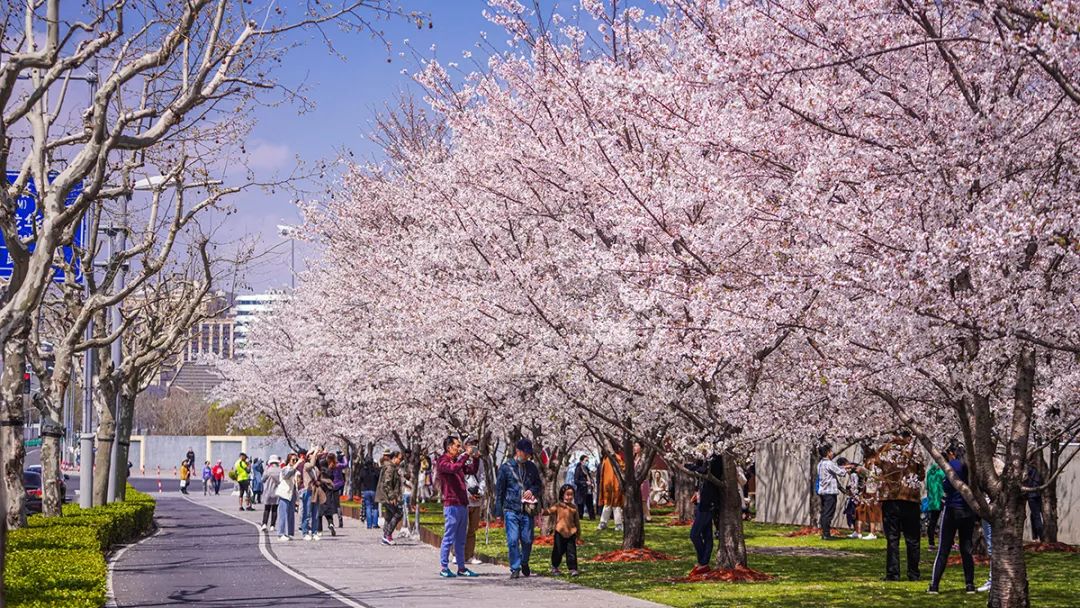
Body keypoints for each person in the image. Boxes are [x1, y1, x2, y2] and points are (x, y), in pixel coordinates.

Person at [876, 430, 924, 581]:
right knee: (913, 539)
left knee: (892, 538)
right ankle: (913, 573)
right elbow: (921, 475)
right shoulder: (914, 451)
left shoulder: (884, 450)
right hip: (910, 499)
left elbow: (877, 471)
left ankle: (893, 573)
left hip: (890, 499)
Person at [928, 445, 977, 595]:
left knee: (944, 548)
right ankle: (969, 584)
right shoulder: (970, 465)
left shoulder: (952, 466)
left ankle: (935, 585)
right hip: (968, 510)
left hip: (952, 509)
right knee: (966, 549)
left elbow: (947, 487)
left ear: (951, 453)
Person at [495, 438, 543, 579]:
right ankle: (515, 567)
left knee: (527, 539)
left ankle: (524, 561)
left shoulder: (531, 467)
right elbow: (499, 491)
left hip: (527, 509)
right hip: (511, 508)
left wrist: (532, 491)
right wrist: (499, 512)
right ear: (518, 451)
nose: (528, 456)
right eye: (525, 453)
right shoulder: (505, 468)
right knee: (513, 539)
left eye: (529, 454)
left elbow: (538, 485)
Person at [435, 436, 481, 578]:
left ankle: (462, 568)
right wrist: (466, 454)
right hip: (451, 504)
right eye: (457, 445)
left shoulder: (457, 461)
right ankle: (444, 567)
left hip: (462, 503)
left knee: (461, 538)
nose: (459, 448)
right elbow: (453, 469)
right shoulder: (442, 461)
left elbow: (471, 470)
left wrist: (475, 457)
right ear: (449, 447)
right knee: (449, 537)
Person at [689, 455, 723, 574]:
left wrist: (692, 467)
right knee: (706, 534)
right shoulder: (701, 458)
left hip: (709, 502)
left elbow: (706, 471)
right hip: (700, 502)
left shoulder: (716, 458)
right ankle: (703, 563)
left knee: (694, 534)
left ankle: (703, 561)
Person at [816, 444, 851, 540]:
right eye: (831, 451)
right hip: (830, 492)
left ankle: (824, 533)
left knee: (825, 512)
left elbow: (836, 469)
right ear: (827, 453)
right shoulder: (829, 463)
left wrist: (844, 468)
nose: (832, 453)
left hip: (823, 491)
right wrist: (847, 468)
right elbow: (840, 472)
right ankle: (826, 534)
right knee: (828, 513)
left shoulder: (820, 464)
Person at [547, 484, 581, 576]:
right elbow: (550, 511)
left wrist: (578, 534)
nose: (569, 497)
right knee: (558, 550)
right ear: (562, 495)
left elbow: (577, 522)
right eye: (567, 494)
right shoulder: (558, 506)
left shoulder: (574, 508)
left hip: (571, 533)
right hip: (559, 532)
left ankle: (573, 568)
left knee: (571, 552)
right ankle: (555, 566)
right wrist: (542, 511)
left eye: (571, 495)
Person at [464, 438, 486, 566]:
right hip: (464, 500)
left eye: (475, 444)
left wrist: (480, 492)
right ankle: (458, 554)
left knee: (472, 529)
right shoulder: (460, 459)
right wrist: (468, 493)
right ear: (465, 445)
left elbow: (482, 477)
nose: (473, 447)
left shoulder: (480, 461)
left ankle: (470, 555)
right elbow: (459, 479)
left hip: (476, 501)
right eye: (471, 444)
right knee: (462, 528)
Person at [376, 450, 405, 545]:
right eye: (399, 459)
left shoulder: (392, 467)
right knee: (398, 513)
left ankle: (386, 536)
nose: (400, 461)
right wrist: (392, 496)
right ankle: (387, 535)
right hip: (387, 496)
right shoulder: (390, 468)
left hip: (387, 495)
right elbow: (387, 483)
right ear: (394, 457)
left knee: (389, 515)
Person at [597, 452, 624, 531]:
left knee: (616, 505)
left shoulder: (617, 457)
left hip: (615, 485)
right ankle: (603, 522)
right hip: (608, 485)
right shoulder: (606, 458)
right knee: (608, 504)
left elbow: (623, 468)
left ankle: (618, 524)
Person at [277, 453, 300, 541]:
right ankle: (281, 533)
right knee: (283, 514)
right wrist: (296, 465)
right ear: (288, 460)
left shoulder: (296, 471)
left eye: (296, 460)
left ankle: (289, 533)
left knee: (291, 515)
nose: (294, 462)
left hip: (292, 494)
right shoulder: (284, 469)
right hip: (284, 494)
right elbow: (287, 475)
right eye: (293, 460)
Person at [925, 460, 945, 549]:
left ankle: (931, 543)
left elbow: (927, 487)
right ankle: (949, 543)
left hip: (932, 501)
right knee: (945, 521)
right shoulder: (942, 473)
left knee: (932, 522)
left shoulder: (929, 473)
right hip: (941, 500)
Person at [1024, 457, 1045, 543]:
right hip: (1038, 494)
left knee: (1036, 516)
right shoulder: (1039, 470)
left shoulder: (1029, 470)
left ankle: (1040, 537)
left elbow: (1025, 479)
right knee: (1034, 516)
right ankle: (1036, 536)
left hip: (1032, 495)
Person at [261, 455, 282, 532]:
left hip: (268, 492)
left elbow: (262, 479)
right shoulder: (280, 470)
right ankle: (272, 525)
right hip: (277, 492)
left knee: (267, 508)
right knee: (274, 509)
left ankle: (264, 524)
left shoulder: (268, 470)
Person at [359, 458, 381, 529]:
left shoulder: (363, 471)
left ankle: (369, 525)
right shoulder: (375, 470)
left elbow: (360, 479)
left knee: (368, 507)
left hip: (366, 490)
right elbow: (379, 479)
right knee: (375, 507)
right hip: (374, 490)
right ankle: (375, 524)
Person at [573, 456, 595, 520]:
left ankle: (592, 517)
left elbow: (590, 477)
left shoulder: (587, 469)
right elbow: (576, 481)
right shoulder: (578, 469)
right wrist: (585, 483)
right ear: (581, 461)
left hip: (589, 489)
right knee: (581, 505)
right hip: (581, 490)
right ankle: (580, 517)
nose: (587, 462)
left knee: (590, 504)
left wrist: (592, 483)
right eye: (586, 460)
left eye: (588, 461)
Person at [332, 451, 348, 528]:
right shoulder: (338, 465)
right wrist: (344, 456)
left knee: (330, 503)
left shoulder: (331, 465)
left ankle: (331, 521)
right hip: (339, 485)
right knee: (338, 504)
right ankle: (340, 519)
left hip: (331, 485)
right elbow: (346, 464)